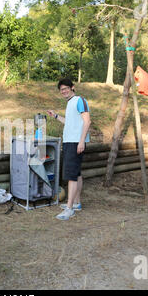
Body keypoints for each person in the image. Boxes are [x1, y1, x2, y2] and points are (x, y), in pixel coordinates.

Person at [47, 78, 91, 221]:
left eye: (66, 88)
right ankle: (77, 203)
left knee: (71, 175)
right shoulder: (70, 103)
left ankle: (69, 208)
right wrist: (55, 116)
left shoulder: (79, 100)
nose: (64, 91)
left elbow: (87, 121)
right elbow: (69, 122)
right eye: (61, 90)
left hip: (75, 142)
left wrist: (81, 141)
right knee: (76, 173)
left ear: (72, 87)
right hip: (69, 142)